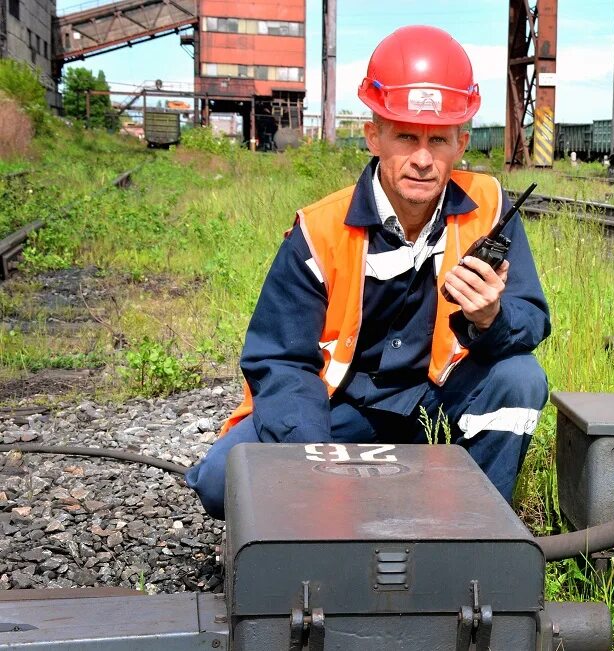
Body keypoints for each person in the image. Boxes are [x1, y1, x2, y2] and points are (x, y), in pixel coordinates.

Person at [185, 25, 551, 519]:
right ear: (374, 135)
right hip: (342, 408)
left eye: (438, 140)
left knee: (519, 379)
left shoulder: (489, 208)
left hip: (438, 401)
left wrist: (491, 318)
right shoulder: (321, 229)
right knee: (220, 480)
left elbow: (530, 318)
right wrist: (316, 468)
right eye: (405, 136)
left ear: (461, 141)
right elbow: (281, 361)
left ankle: (474, 531)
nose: (422, 159)